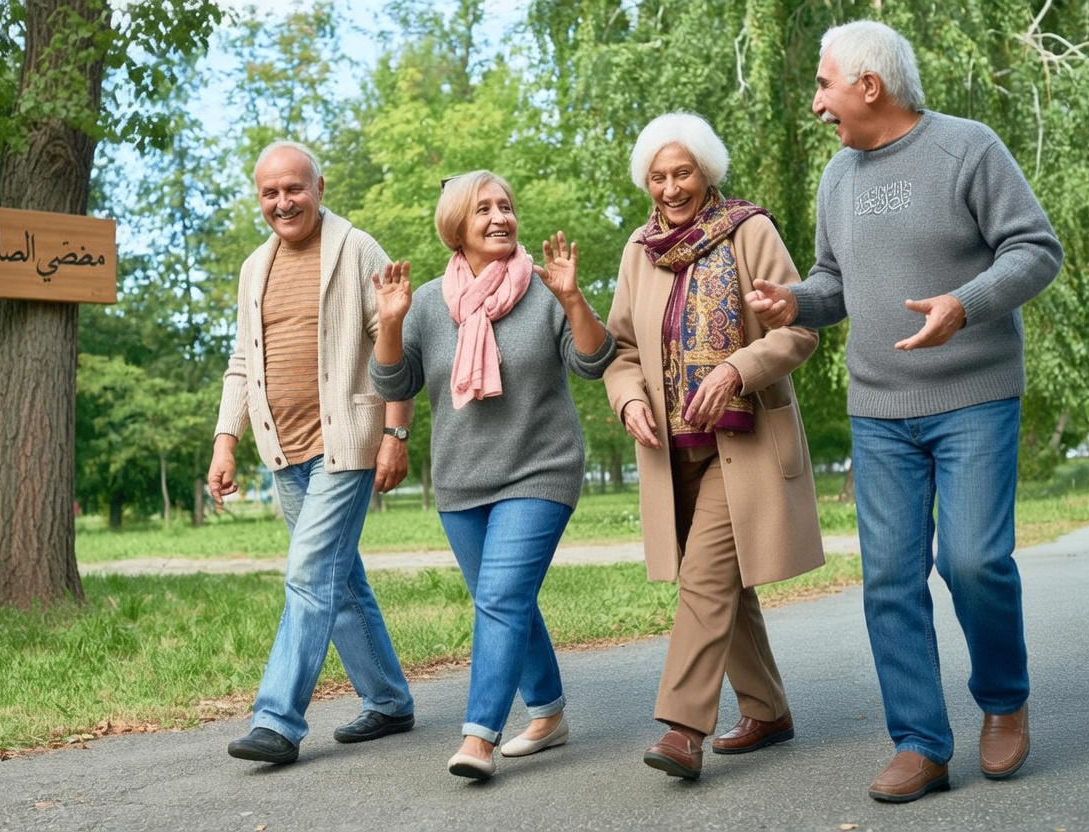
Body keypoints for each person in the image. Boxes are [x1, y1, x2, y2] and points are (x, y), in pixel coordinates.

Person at [746, 20, 1064, 803]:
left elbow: (1035, 249)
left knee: (971, 560)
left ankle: (1003, 700)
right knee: (889, 579)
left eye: (824, 85)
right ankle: (920, 741)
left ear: (868, 85)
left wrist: (965, 302)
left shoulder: (968, 148)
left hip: (974, 397)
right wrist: (794, 302)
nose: (817, 102)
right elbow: (833, 284)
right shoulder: (837, 180)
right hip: (879, 409)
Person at [369, 170, 615, 780]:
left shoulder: (544, 289)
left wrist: (573, 299)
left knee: (501, 598)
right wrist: (392, 325)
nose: (500, 217)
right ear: (458, 226)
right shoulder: (427, 302)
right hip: (460, 479)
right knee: (504, 600)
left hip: (541, 467)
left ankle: (479, 736)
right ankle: (551, 714)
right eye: (484, 209)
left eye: (506, 206)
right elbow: (394, 385)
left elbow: (593, 361)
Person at [602, 112, 826, 781]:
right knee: (724, 583)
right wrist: (629, 399)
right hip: (672, 449)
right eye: (659, 175)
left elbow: (799, 328)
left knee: (703, 577)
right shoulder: (639, 250)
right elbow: (621, 351)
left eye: (684, 172)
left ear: (708, 173)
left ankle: (680, 729)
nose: (671, 188)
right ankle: (767, 709)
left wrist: (736, 368)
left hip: (744, 441)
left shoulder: (749, 230)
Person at [209, 140, 416, 765]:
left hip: (344, 444)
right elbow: (242, 362)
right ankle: (388, 700)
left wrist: (395, 435)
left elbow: (396, 346)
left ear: (319, 187)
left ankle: (277, 720)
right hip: (284, 448)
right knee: (338, 578)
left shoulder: (356, 249)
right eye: (270, 193)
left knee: (307, 575)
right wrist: (226, 442)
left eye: (293, 189)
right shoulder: (254, 267)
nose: (282, 201)